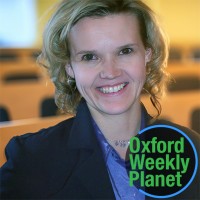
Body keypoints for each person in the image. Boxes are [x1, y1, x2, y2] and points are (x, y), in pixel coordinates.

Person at [0, 0, 199, 199]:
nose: (110, 72)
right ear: (69, 66)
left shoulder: (192, 149)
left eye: (125, 51)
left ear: (147, 55)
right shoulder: (31, 160)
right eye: (89, 57)